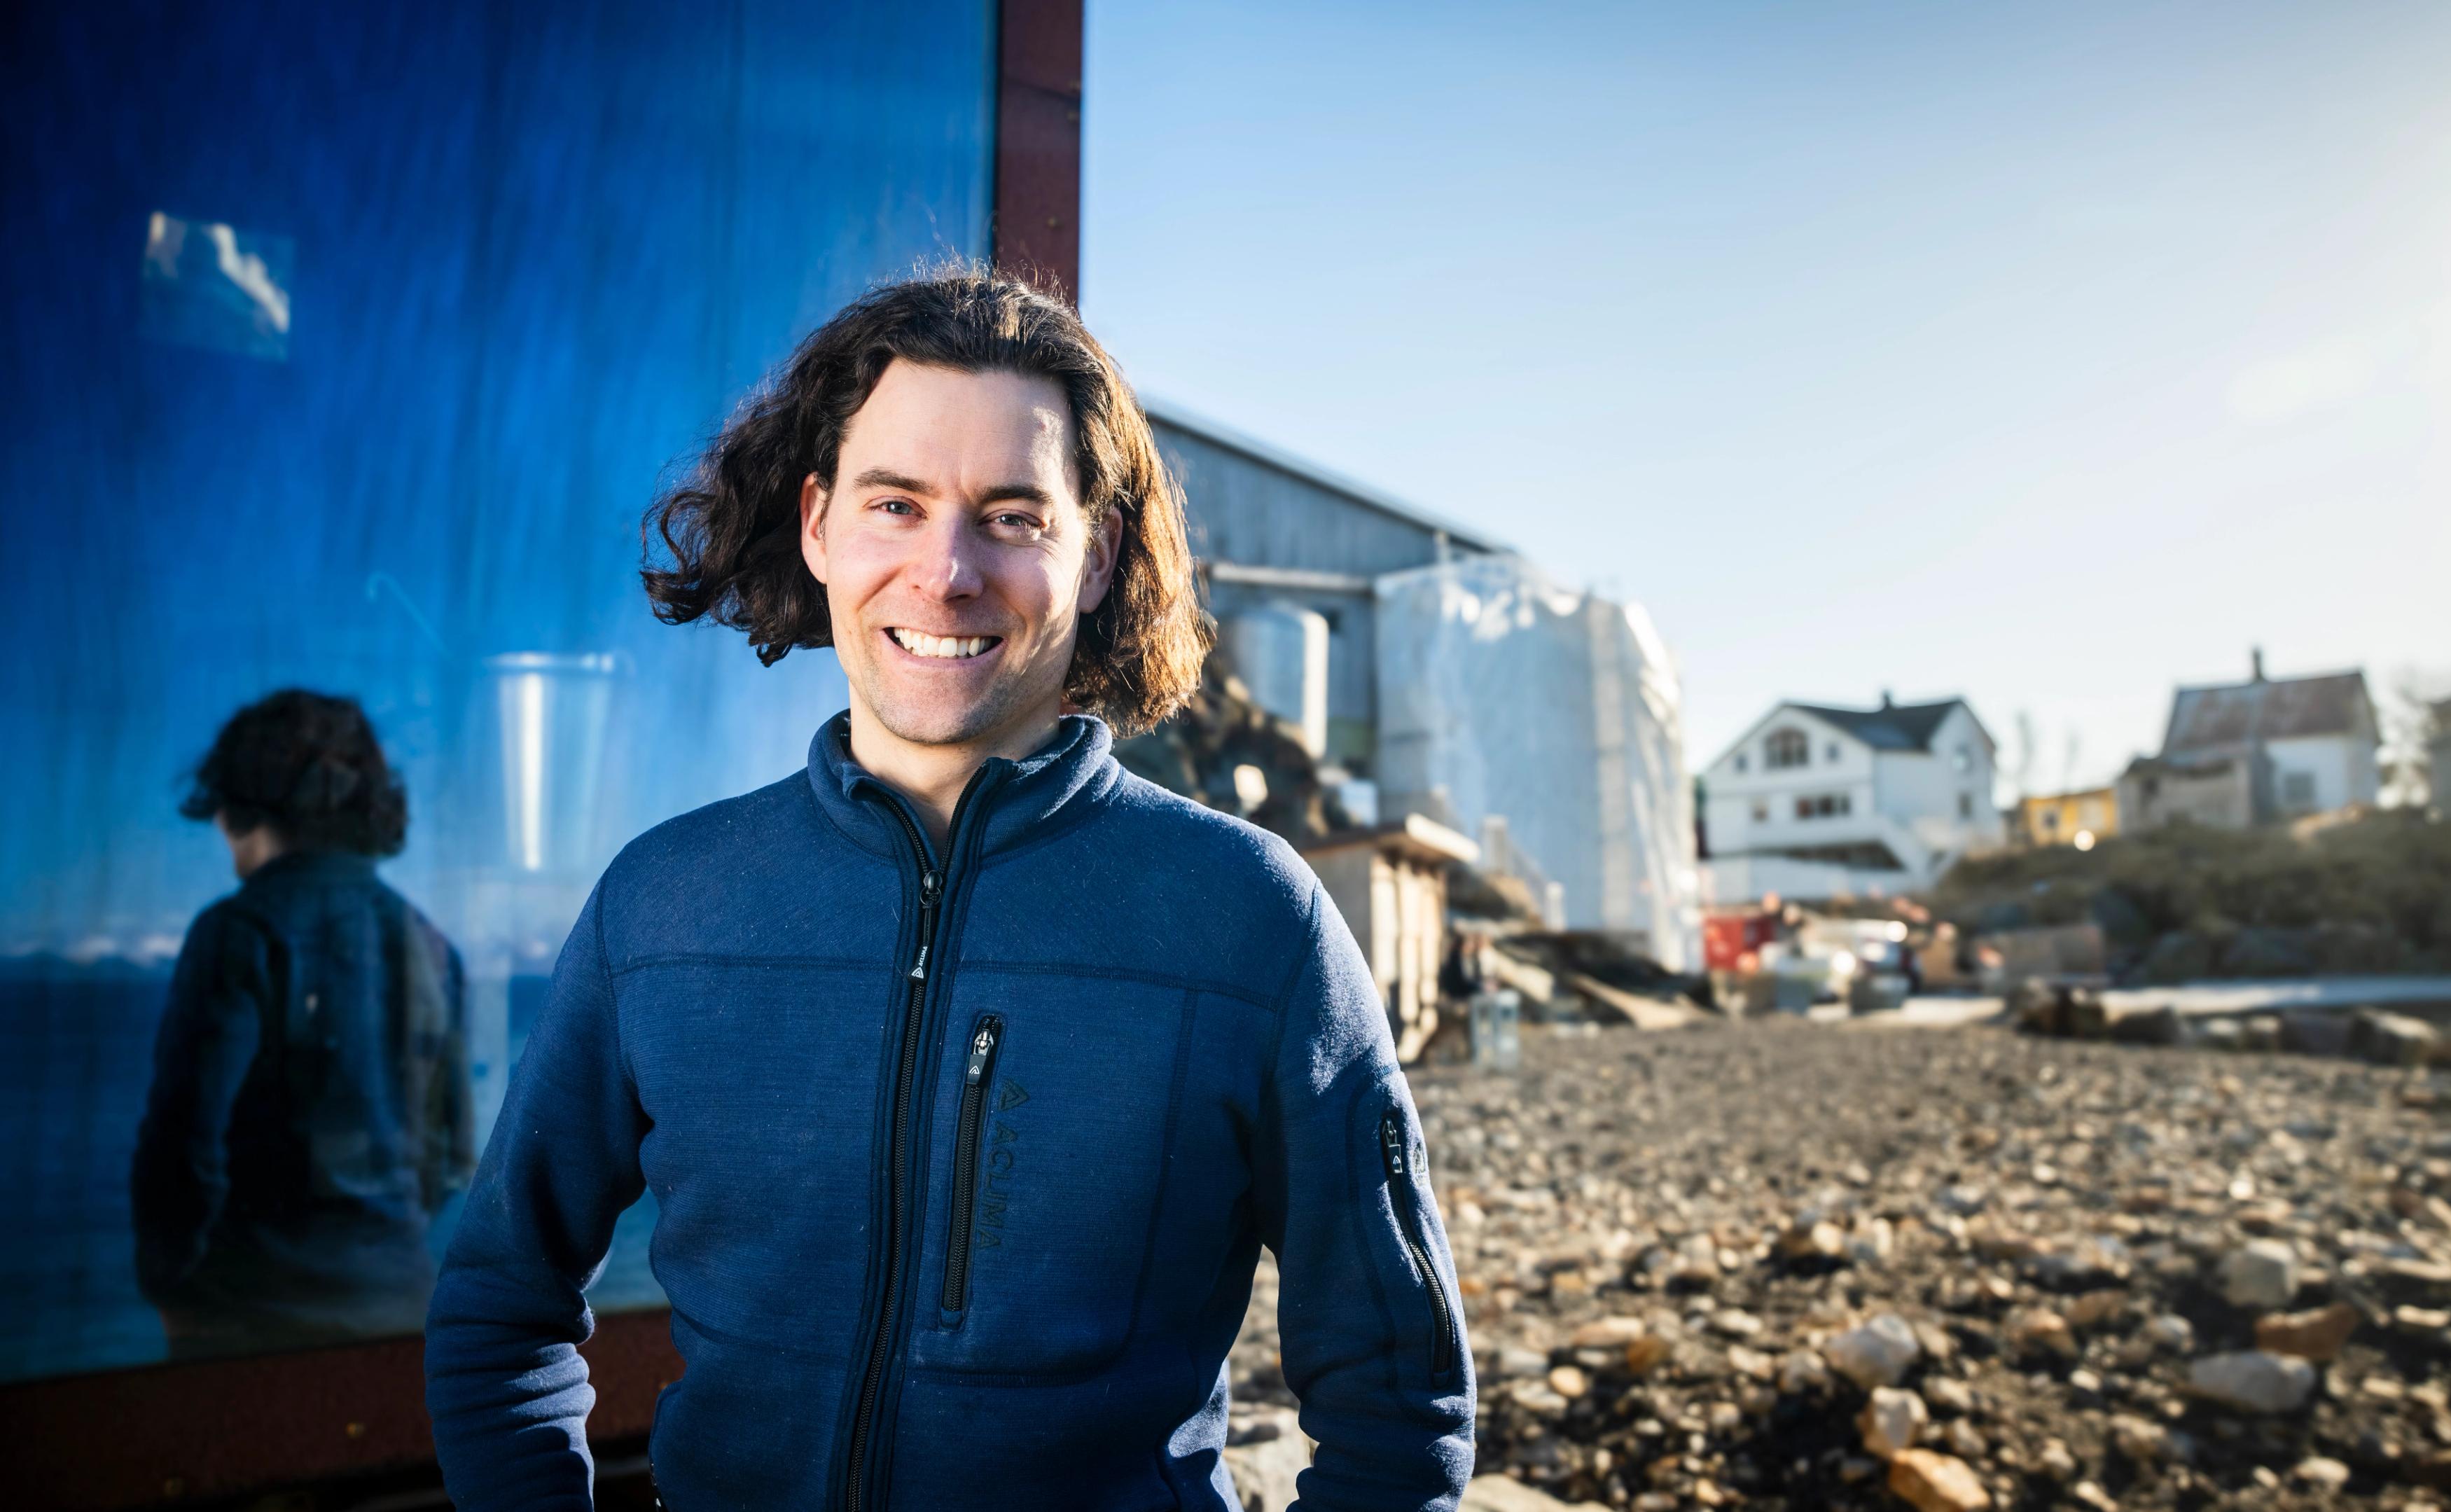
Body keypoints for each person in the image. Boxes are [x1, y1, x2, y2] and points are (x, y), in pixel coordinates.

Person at [425, 272, 1474, 1511]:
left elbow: (1401, 1408)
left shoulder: (1248, 918)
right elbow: (500, 1301)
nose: (947, 570)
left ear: (1099, 558)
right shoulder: (667, 905)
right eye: (896, 503)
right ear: (819, 527)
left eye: (1013, 516)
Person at [134, 689, 472, 1359]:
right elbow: (452, 1150)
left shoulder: (239, 932)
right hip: (403, 1314)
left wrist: (171, 1286)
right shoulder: (430, 943)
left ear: (238, 805)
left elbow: (183, 1140)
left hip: (255, 1325)